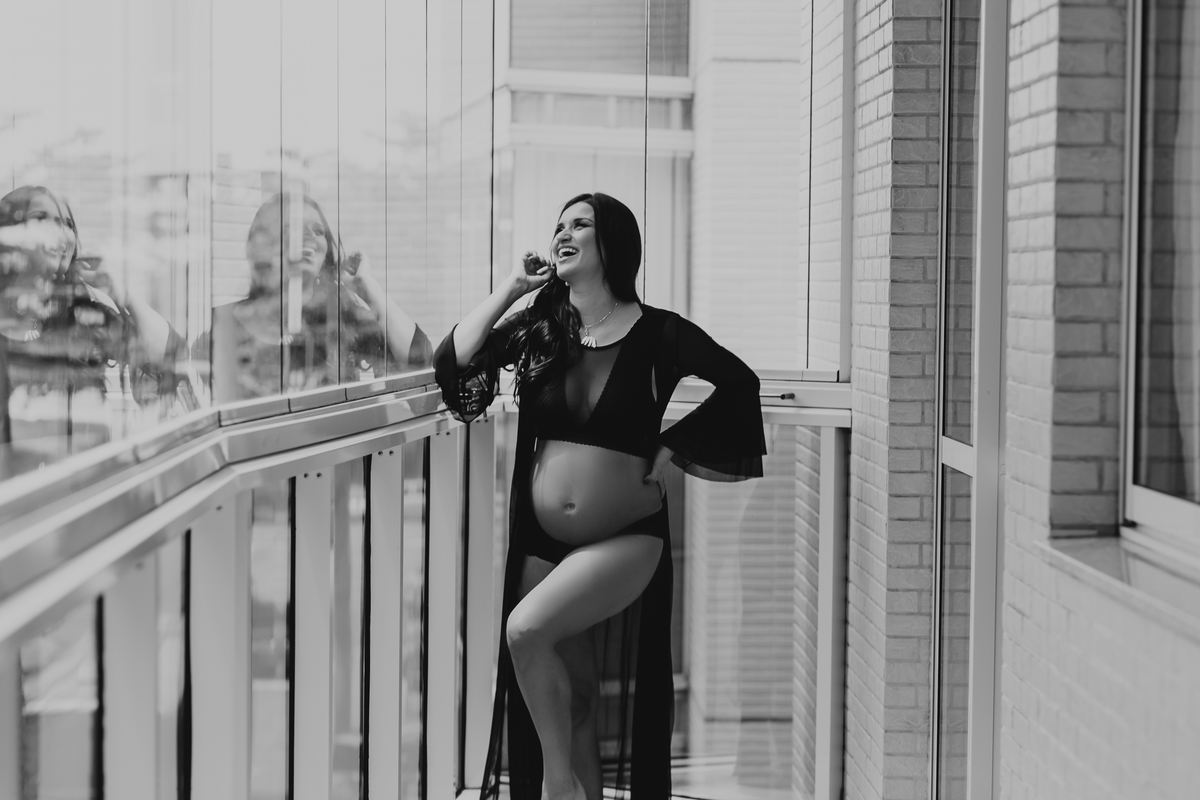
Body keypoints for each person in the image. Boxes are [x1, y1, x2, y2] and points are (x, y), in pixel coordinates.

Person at [434, 192, 767, 800]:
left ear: (611, 241)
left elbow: (741, 384)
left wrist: (674, 446)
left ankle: (559, 786)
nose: (563, 234)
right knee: (578, 699)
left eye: (579, 225)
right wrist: (512, 289)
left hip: (626, 537)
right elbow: (456, 363)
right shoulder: (540, 327)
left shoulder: (660, 332)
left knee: (524, 631)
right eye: (558, 225)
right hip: (542, 543)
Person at [0, 185, 184, 476]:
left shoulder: (83, 315)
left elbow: (171, 353)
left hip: (82, 485)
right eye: (41, 218)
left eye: (66, 223)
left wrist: (123, 293)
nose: (60, 233)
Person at [208, 192, 431, 402]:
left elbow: (420, 367)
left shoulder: (344, 321)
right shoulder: (224, 324)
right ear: (264, 246)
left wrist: (367, 287)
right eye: (293, 227)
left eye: (318, 230)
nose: (309, 235)